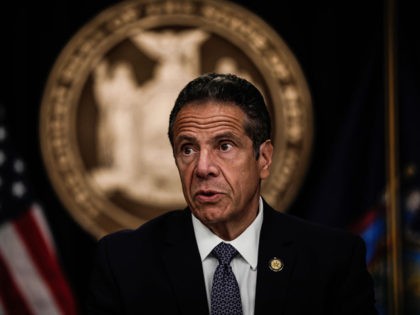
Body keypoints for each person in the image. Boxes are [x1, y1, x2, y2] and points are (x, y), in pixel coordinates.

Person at [86, 73, 378, 315]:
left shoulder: (333, 260)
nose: (202, 168)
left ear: (263, 159)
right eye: (187, 149)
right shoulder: (124, 262)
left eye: (224, 146)